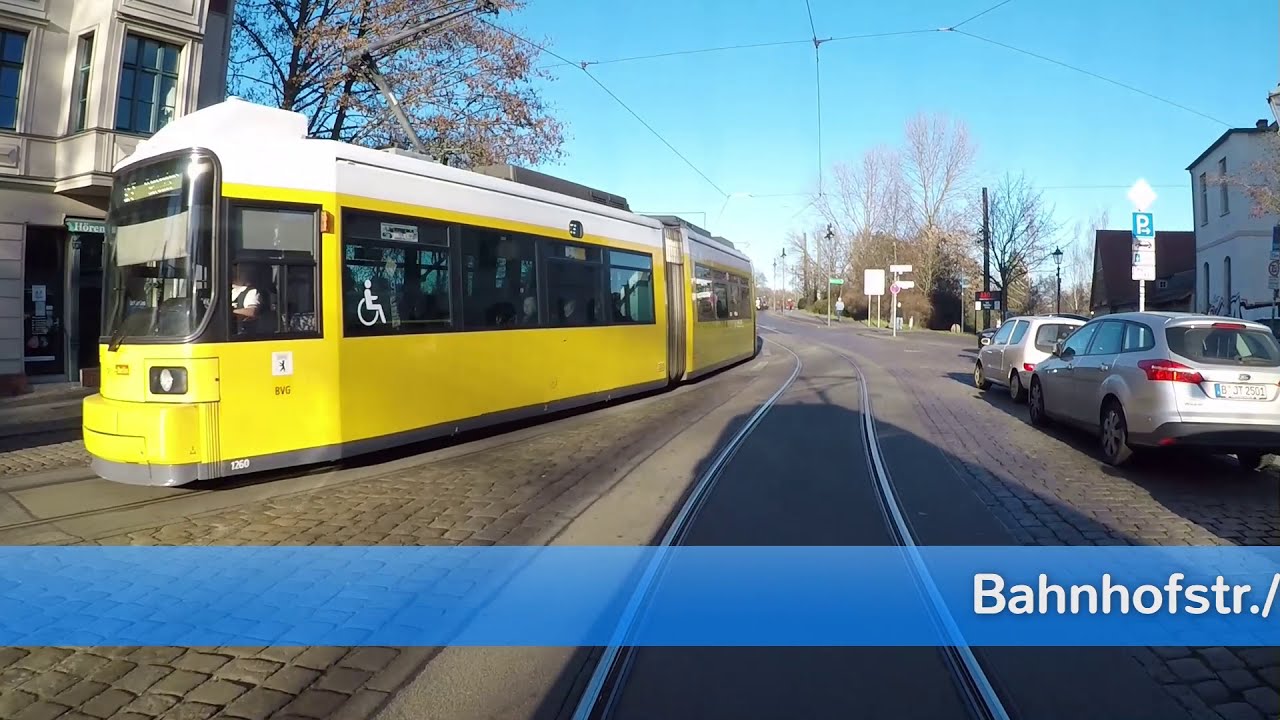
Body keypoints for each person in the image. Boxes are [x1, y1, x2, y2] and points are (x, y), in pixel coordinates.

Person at [231, 264, 267, 334]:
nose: (234, 274)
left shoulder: (251, 291)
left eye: (238, 272)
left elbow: (252, 311)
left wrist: (230, 312)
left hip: (241, 333)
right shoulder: (225, 290)